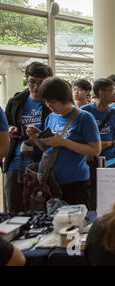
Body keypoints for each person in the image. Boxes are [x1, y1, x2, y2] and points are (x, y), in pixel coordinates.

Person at [26, 77, 101, 207]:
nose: (50, 106)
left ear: (65, 98)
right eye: (46, 102)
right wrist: (37, 137)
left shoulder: (84, 118)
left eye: (53, 102)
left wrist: (63, 142)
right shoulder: (51, 117)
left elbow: (95, 150)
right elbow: (48, 149)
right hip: (51, 181)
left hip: (75, 183)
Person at [3, 62, 53, 212]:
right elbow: (6, 126)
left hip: (43, 164)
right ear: (26, 79)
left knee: (41, 209)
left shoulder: (52, 105)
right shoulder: (16, 102)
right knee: (14, 210)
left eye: (41, 83)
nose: (36, 87)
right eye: (32, 82)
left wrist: (39, 137)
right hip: (15, 164)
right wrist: (10, 129)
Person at [81, 78, 115, 164]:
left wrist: (107, 144)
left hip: (110, 160)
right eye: (112, 91)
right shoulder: (84, 111)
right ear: (101, 93)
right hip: (88, 159)